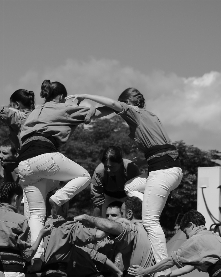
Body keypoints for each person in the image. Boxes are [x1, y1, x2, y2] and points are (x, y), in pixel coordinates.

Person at [68, 89, 182, 265]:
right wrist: (88, 114)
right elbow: (109, 110)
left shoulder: (135, 112)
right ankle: (148, 205)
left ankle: (161, 265)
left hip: (163, 172)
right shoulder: (149, 115)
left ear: (129, 102)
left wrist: (85, 96)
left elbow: (114, 105)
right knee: (129, 187)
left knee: (151, 221)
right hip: (167, 172)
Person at [17, 80, 95, 259]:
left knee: (36, 214)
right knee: (84, 175)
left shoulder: (35, 111)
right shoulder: (63, 107)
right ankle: (58, 198)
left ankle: (37, 255)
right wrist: (79, 101)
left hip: (23, 164)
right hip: (45, 156)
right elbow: (91, 113)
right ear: (60, 96)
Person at [90, 146, 141, 217]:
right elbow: (97, 200)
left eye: (111, 167)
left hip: (128, 196)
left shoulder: (131, 168)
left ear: (120, 163)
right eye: (106, 166)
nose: (108, 170)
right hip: (108, 196)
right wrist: (96, 223)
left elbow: (137, 194)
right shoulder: (99, 172)